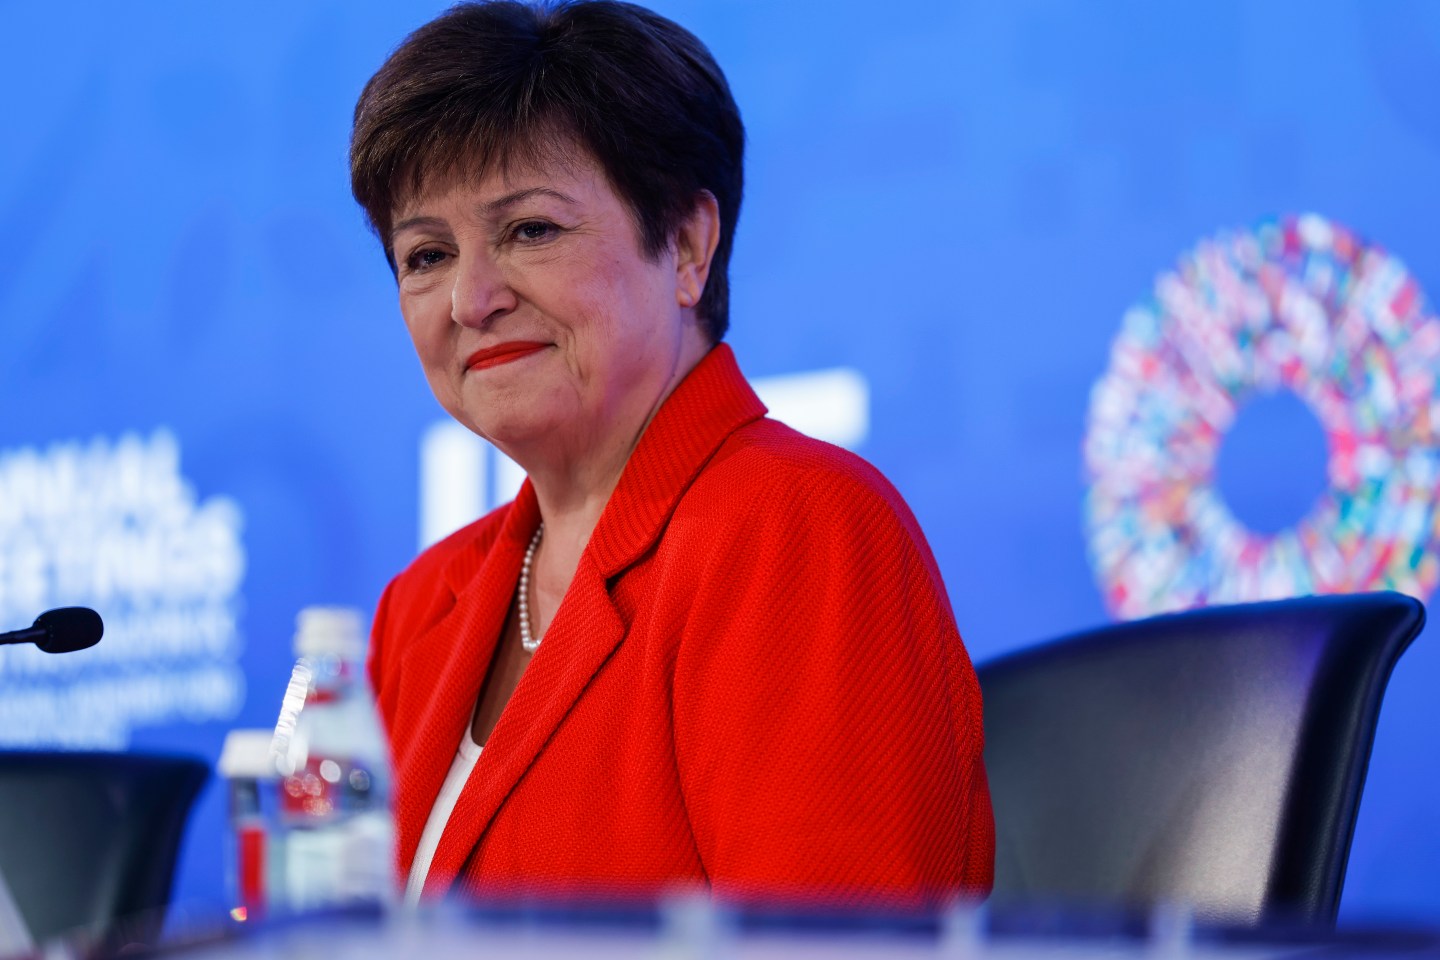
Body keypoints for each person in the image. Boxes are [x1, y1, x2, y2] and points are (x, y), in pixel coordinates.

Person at [352, 0, 993, 909]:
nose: (470, 297)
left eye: (530, 230)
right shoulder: (415, 613)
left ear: (688, 245)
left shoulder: (797, 533)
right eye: (425, 255)